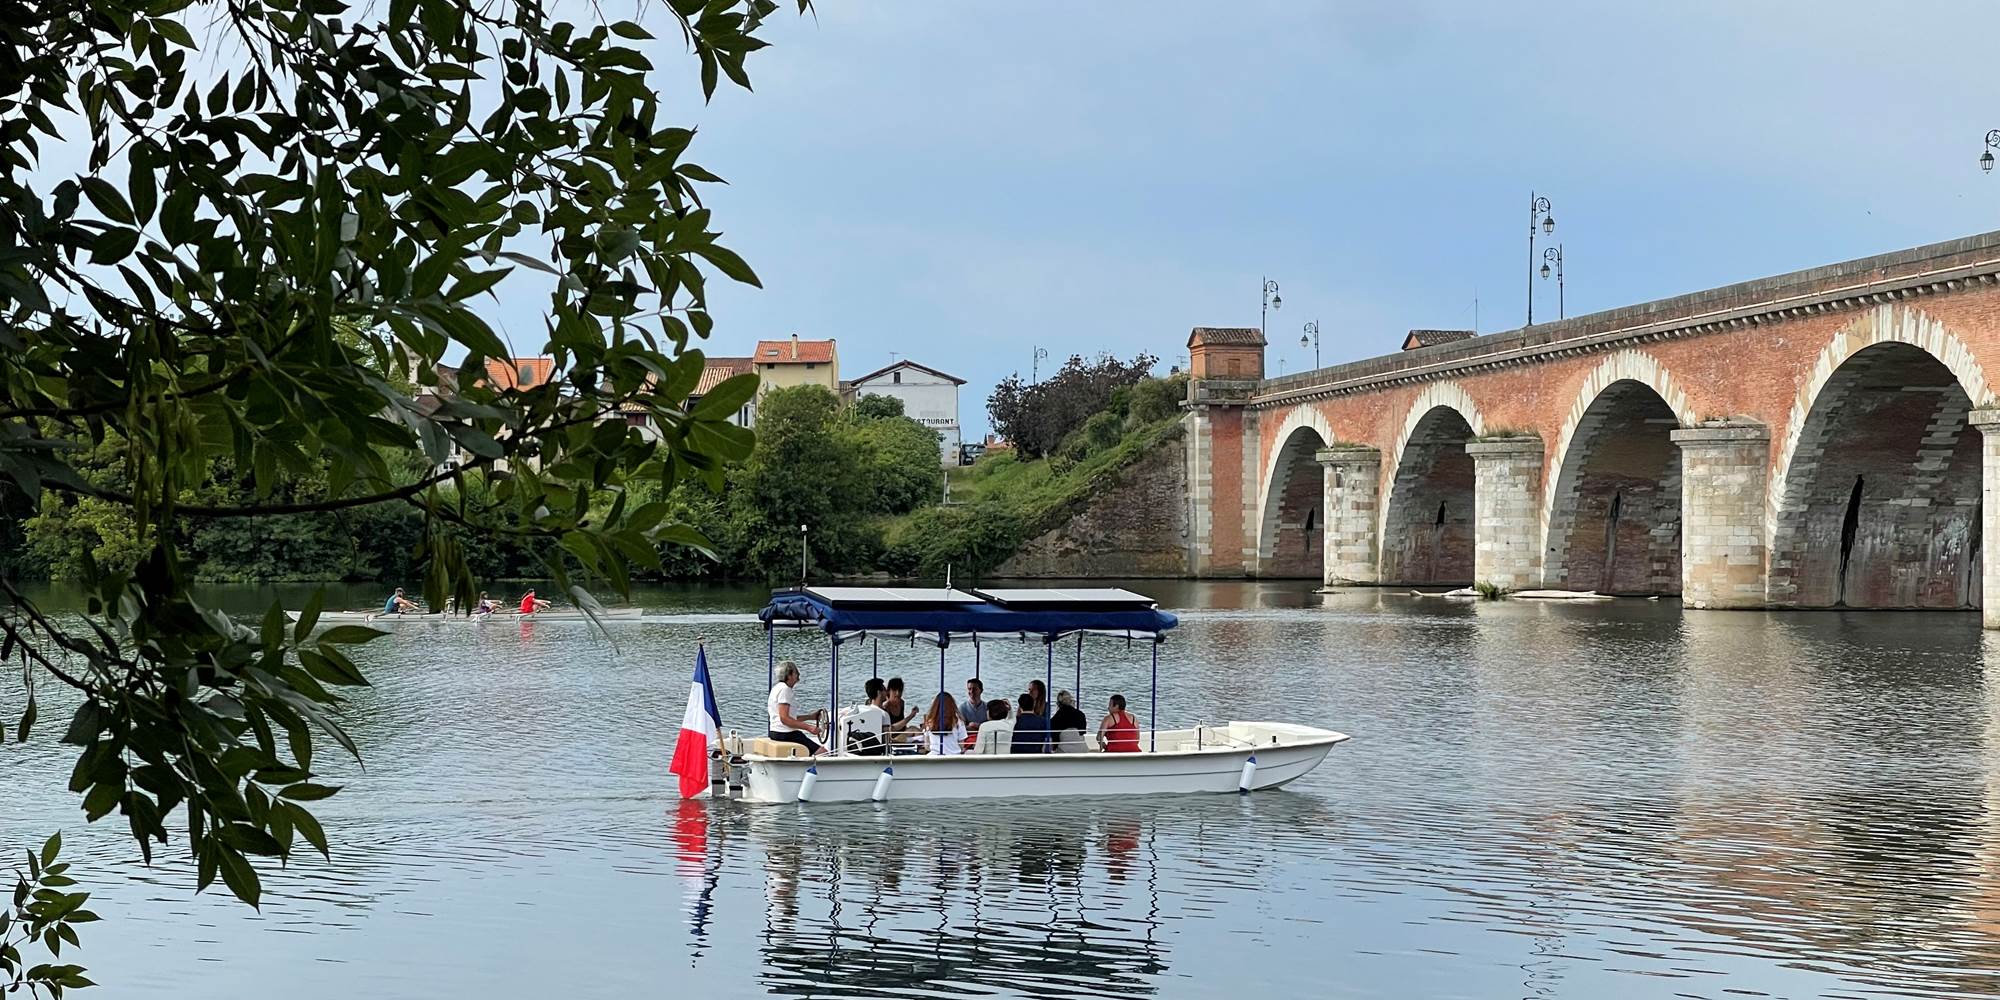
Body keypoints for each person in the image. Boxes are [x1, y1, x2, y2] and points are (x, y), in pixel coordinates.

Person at [766, 660, 825, 755]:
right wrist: (809, 728)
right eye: (796, 672)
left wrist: (810, 717)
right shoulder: (785, 690)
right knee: (823, 753)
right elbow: (785, 719)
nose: (798, 675)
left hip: (776, 732)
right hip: (786, 733)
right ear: (789, 675)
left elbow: (790, 717)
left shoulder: (777, 688)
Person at [840, 678, 890, 756]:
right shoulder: (883, 714)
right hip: (878, 751)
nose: (886, 692)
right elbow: (887, 740)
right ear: (879, 692)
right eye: (884, 689)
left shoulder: (863, 709)